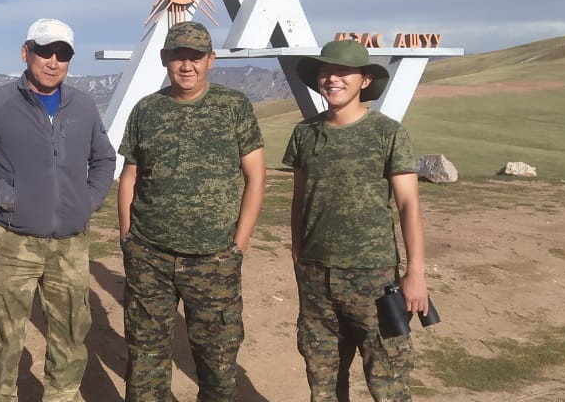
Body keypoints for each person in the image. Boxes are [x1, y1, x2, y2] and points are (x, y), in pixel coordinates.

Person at [0, 18, 117, 402]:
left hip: (70, 245)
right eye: (45, 52)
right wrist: (6, 198)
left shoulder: (83, 105)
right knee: (2, 338)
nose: (53, 61)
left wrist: (89, 200)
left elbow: (104, 159)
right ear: (26, 53)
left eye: (63, 54)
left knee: (70, 337)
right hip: (12, 242)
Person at [117, 20, 267, 402]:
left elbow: (256, 177)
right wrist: (127, 238)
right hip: (150, 257)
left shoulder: (233, 107)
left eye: (196, 57)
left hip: (214, 260)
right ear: (164, 59)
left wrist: (238, 246)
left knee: (218, 367)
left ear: (210, 59)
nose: (187, 65)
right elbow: (130, 177)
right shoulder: (146, 110)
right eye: (178, 56)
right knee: (145, 364)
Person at [284, 38, 428, 402]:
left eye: (343, 71)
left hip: (373, 277)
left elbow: (408, 203)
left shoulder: (387, 133)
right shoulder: (304, 133)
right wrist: (298, 252)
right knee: (323, 381)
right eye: (326, 71)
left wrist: (416, 273)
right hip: (316, 278)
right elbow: (300, 199)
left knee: (388, 380)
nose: (332, 79)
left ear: (364, 80)